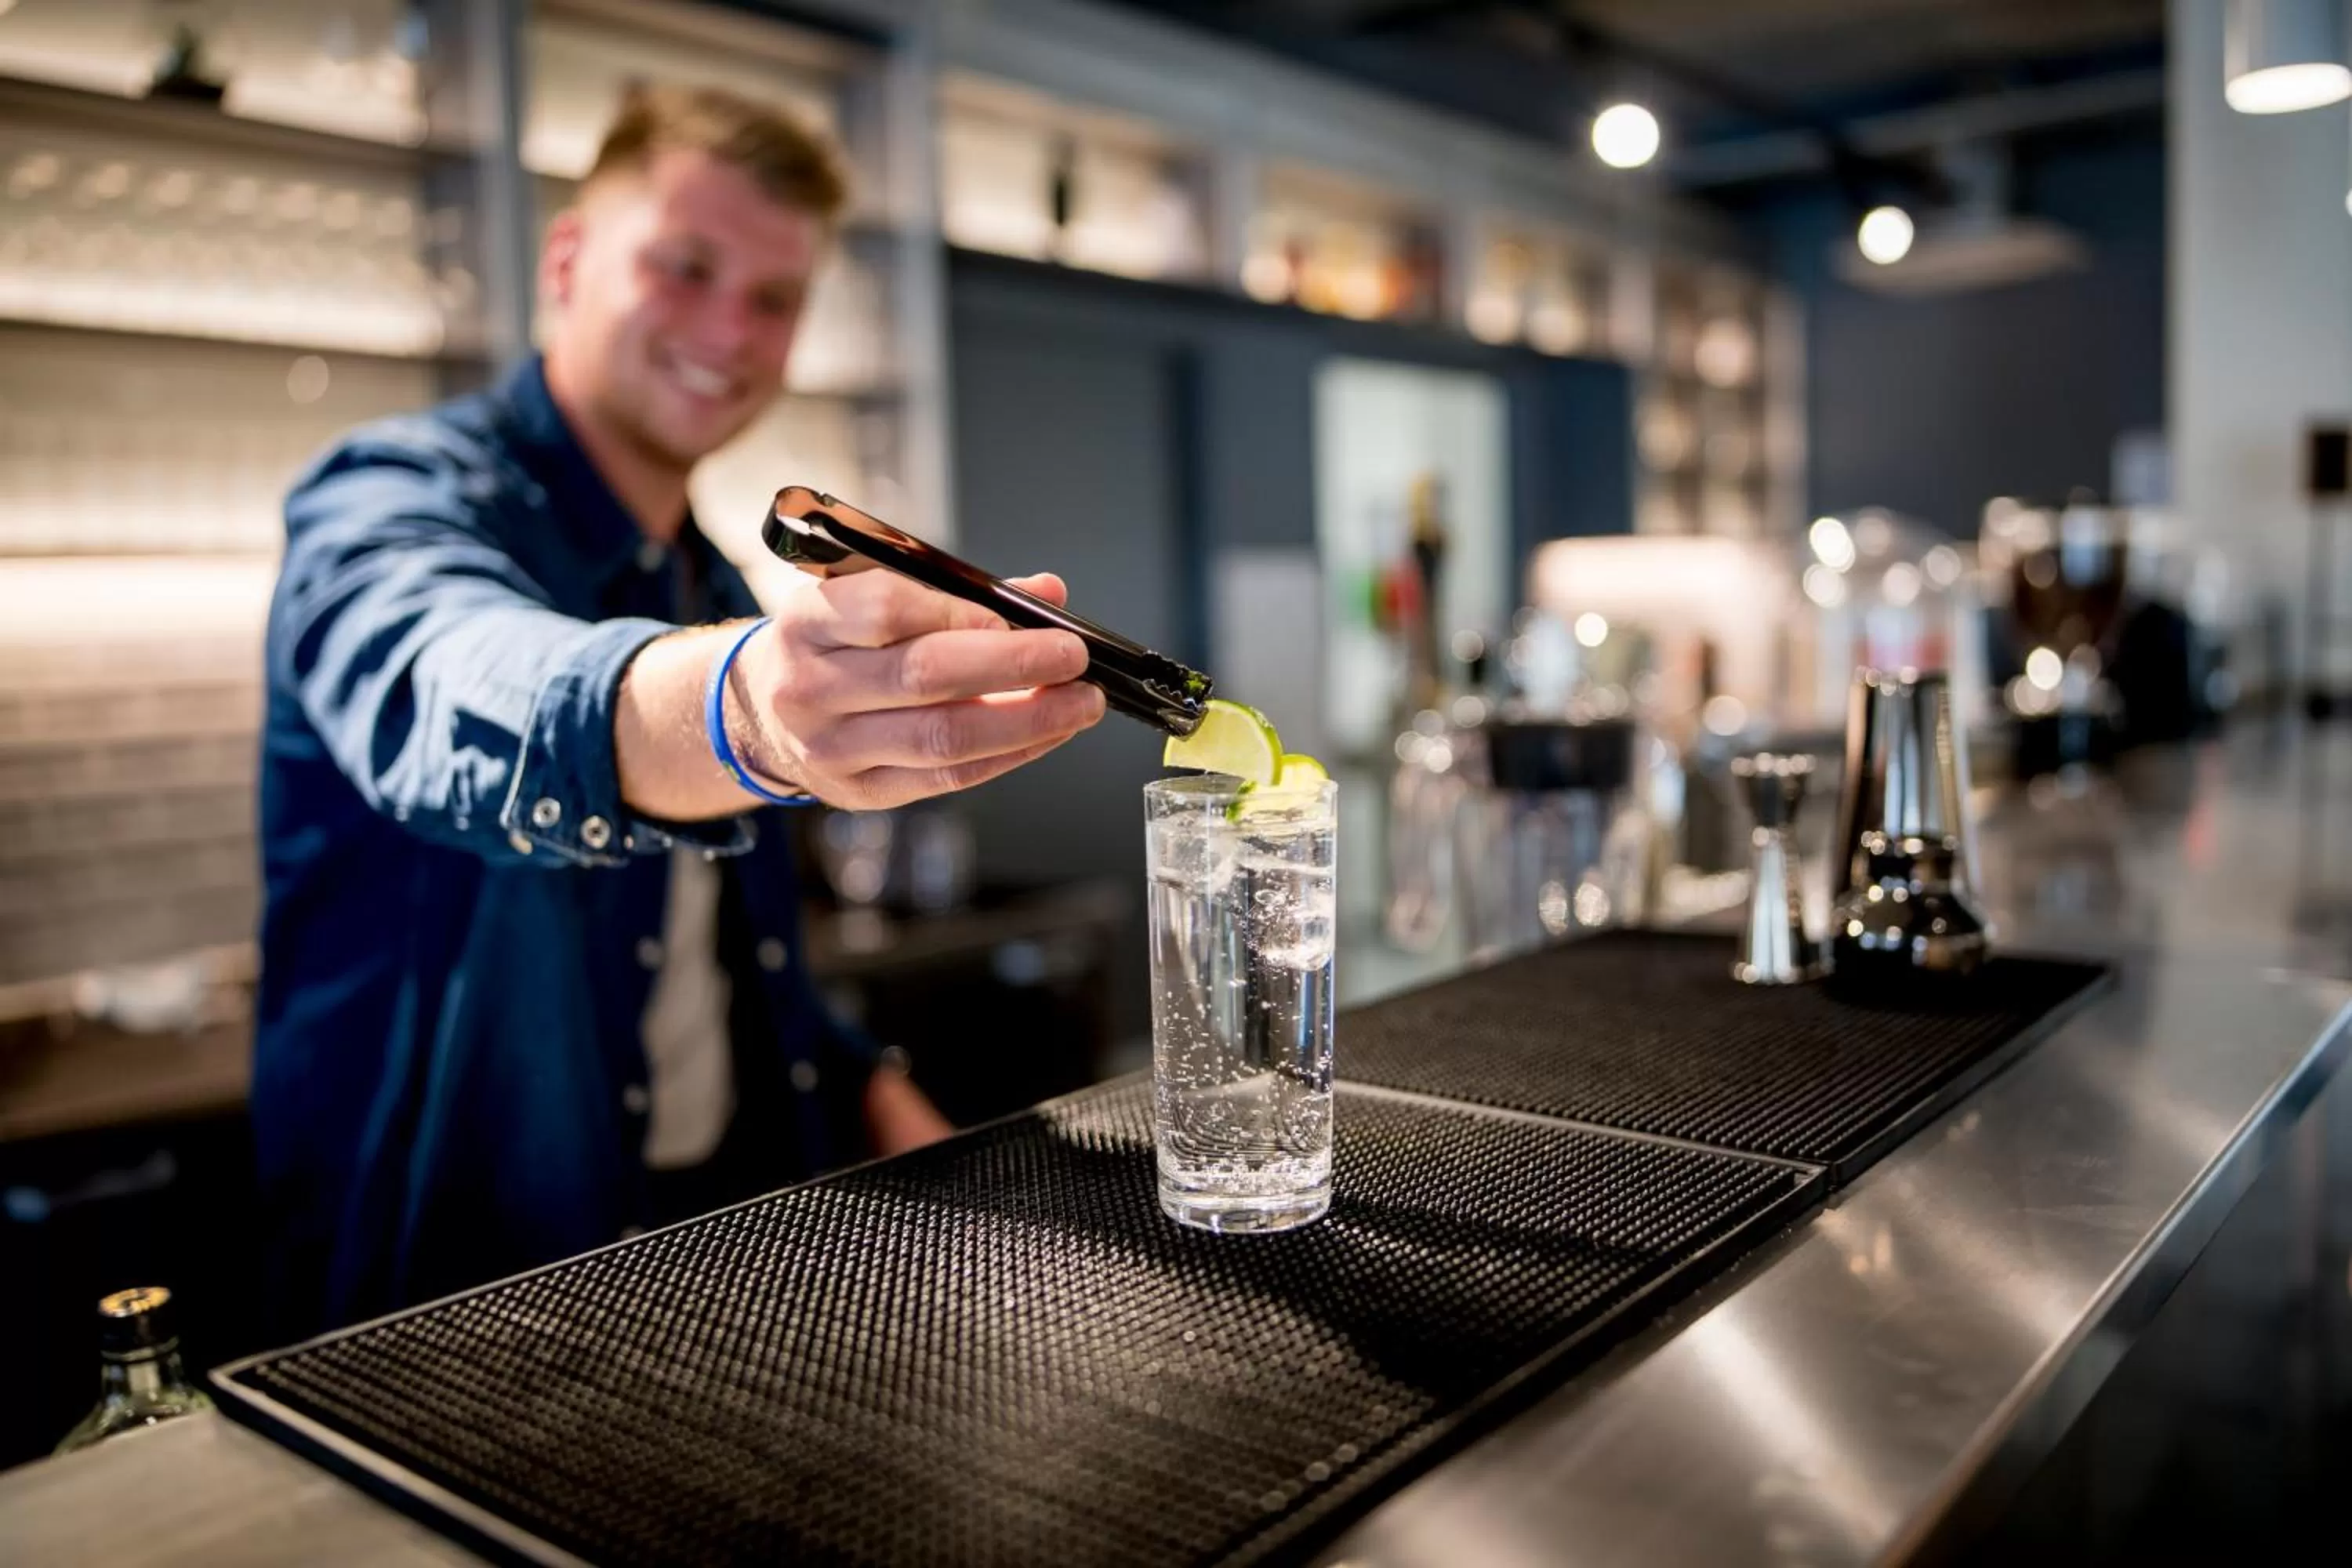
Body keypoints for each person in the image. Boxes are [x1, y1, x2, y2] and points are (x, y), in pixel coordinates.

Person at [252, 83, 1106, 1337]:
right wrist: (740, 711)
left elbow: (723, 955)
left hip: (713, 1254)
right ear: (567, 261)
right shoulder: (386, 496)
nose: (729, 328)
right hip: (444, 1295)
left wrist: (874, 1098)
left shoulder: (705, 579)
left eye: (774, 299)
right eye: (685, 267)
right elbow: (451, 672)